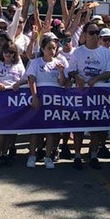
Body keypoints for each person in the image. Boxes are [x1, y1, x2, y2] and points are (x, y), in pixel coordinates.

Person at [65, 20, 110, 169]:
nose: (95, 36)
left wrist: (97, 78)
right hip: (80, 95)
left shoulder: (106, 53)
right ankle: (77, 156)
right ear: (84, 35)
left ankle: (93, 155)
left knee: (95, 127)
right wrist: (77, 76)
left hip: (98, 96)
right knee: (79, 126)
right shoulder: (78, 52)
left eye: (97, 33)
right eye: (91, 32)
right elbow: (70, 70)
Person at [25, 35, 68, 169]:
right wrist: (34, 96)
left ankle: (48, 157)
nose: (52, 51)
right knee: (36, 130)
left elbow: (62, 83)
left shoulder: (58, 63)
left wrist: (61, 72)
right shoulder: (36, 63)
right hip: (40, 99)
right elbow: (31, 80)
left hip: (53, 101)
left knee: (50, 130)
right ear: (42, 49)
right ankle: (32, 155)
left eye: (54, 48)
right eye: (49, 48)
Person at [0, 42, 25, 167]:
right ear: (2, 53)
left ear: (15, 54)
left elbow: (25, 79)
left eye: (11, 52)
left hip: (14, 101)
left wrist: (19, 83)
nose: (8, 54)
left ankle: (5, 154)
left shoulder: (19, 67)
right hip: (0, 100)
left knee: (10, 130)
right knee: (1, 130)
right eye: (6, 51)